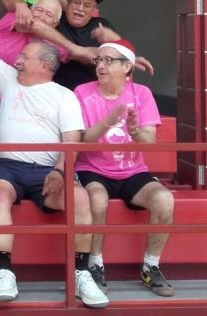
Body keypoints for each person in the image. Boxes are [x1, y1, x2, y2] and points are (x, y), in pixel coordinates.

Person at [0, 15, 110, 308]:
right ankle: (4, 272)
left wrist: (60, 171)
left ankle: (81, 273)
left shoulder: (64, 96)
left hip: (48, 170)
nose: (18, 60)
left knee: (81, 198)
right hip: (7, 166)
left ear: (45, 65)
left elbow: (72, 140)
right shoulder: (9, 78)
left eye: (25, 56)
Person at [74, 40, 175, 298]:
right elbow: (82, 140)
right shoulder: (82, 92)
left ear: (127, 67)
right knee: (97, 198)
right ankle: (95, 265)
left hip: (133, 171)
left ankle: (151, 267)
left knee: (164, 200)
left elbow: (149, 142)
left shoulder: (141, 94)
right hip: (92, 168)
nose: (101, 66)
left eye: (109, 60)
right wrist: (108, 122)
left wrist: (134, 131)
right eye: (99, 60)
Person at [0, 0, 74, 117]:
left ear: (56, 24)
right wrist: (20, 5)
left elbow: (71, 53)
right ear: (30, 11)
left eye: (49, 15)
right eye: (39, 10)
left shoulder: (55, 45)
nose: (41, 17)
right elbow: (7, 1)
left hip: (13, 102)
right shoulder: (13, 19)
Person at [55, 0, 118, 90]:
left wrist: (115, 40)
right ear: (67, 4)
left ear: (94, 10)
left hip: (93, 92)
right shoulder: (56, 20)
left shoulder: (101, 25)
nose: (80, 8)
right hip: (57, 90)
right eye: (76, 3)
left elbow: (119, 56)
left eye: (87, 5)